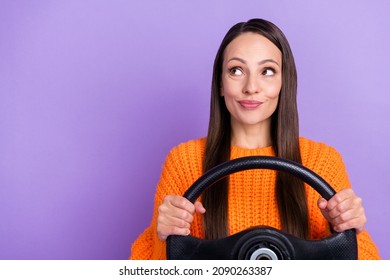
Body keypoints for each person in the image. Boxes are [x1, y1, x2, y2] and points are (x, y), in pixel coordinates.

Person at [129, 18, 380, 260]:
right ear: (219, 83)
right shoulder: (185, 161)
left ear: (284, 82)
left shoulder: (322, 162)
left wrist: (345, 231)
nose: (251, 87)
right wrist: (164, 237)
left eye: (267, 71)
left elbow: (367, 268)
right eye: (236, 70)